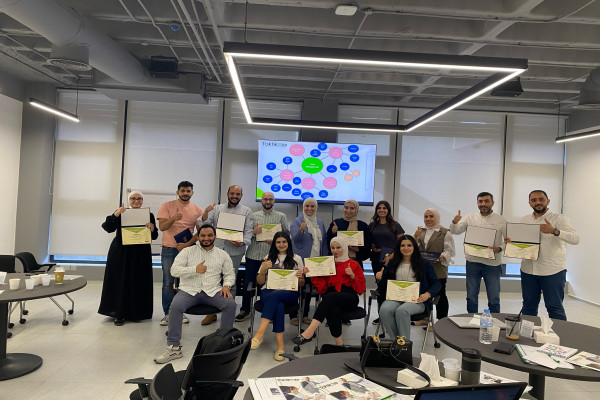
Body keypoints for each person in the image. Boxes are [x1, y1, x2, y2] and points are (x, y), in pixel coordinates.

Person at [154, 224, 236, 364]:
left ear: (215, 237)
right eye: (203, 235)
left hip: (212, 291)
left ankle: (222, 345)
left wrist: (227, 286)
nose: (206, 238)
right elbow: (174, 271)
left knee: (230, 304)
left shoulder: (222, 254)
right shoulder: (187, 252)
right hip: (189, 290)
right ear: (197, 237)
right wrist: (194, 269)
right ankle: (174, 348)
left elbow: (230, 274)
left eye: (210, 235)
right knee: (175, 306)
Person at [505, 190, 579, 320]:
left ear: (548, 201)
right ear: (529, 203)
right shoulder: (525, 219)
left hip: (552, 271)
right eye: (534, 200)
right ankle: (527, 336)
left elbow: (575, 239)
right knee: (528, 306)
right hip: (528, 270)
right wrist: (512, 242)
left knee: (554, 307)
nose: (537, 202)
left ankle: (559, 338)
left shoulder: (559, 219)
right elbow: (523, 241)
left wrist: (555, 231)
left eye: (541, 199)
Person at [292, 237, 366, 346]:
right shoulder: (328, 264)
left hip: (349, 297)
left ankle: (310, 331)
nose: (335, 250)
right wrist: (313, 275)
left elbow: (361, 289)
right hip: (330, 297)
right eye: (332, 248)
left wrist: (352, 276)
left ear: (344, 248)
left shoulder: (354, 264)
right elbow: (323, 288)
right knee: (333, 309)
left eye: (338, 247)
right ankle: (339, 344)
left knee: (329, 297)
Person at [98, 191, 158, 326]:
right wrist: (117, 213)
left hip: (141, 253)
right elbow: (107, 228)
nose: (136, 201)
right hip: (121, 252)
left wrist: (152, 228)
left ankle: (137, 313)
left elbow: (154, 236)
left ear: (142, 200)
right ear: (128, 200)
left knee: (138, 282)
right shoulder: (121, 212)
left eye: (139, 199)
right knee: (120, 282)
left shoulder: (149, 215)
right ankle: (119, 314)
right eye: (133, 198)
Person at [201, 185, 254, 325]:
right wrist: (206, 213)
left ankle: (228, 311)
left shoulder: (247, 211)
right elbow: (205, 224)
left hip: (235, 252)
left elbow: (249, 232)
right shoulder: (217, 209)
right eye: (232, 193)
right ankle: (211, 312)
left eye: (237, 194)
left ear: (241, 195)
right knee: (213, 280)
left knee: (231, 281)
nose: (234, 196)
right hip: (216, 250)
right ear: (227, 193)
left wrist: (242, 242)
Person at [250, 232, 304, 361]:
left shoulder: (297, 258)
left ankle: (259, 334)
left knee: (276, 296)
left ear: (288, 243)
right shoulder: (268, 258)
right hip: (268, 291)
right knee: (278, 305)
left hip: (289, 293)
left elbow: (302, 284)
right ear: (274, 244)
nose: (281, 244)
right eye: (278, 242)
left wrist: (300, 277)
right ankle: (280, 346)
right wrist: (263, 269)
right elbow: (260, 282)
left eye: (284, 242)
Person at [235, 192, 289, 322]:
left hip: (272, 257)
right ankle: (245, 310)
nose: (268, 201)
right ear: (261, 201)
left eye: (270, 199)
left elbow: (286, 234)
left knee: (271, 284)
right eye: (265, 199)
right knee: (249, 283)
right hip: (253, 255)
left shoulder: (281, 216)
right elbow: (244, 234)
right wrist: (253, 232)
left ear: (274, 200)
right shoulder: (253, 216)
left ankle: (270, 310)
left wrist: (277, 238)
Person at [449, 192, 507, 313]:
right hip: (473, 262)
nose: (483, 204)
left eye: (486, 201)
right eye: (480, 201)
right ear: (477, 203)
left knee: (494, 299)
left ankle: (494, 324)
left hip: (492, 264)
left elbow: (508, 241)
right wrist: (454, 223)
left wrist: (499, 248)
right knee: (471, 297)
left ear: (492, 203)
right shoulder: (470, 217)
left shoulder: (502, 220)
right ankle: (471, 323)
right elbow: (456, 231)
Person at [157, 181, 204, 326]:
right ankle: (168, 314)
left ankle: (181, 312)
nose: (185, 193)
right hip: (169, 249)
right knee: (169, 283)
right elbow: (162, 227)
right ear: (177, 192)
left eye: (188, 191)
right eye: (183, 190)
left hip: (188, 250)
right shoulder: (167, 206)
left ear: (192, 193)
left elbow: (201, 233)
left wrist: (187, 244)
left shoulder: (197, 210)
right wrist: (173, 219)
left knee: (186, 283)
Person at [376, 235, 441, 340]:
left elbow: (437, 283)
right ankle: (397, 342)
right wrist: (380, 278)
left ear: (414, 247)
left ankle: (405, 344)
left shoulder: (425, 263)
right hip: (395, 298)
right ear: (399, 248)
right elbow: (384, 284)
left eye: (409, 245)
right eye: (403, 245)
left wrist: (428, 294)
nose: (406, 248)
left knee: (402, 311)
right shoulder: (393, 263)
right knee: (384, 310)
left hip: (417, 300)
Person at [289, 198, 328, 326]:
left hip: (315, 262)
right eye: (307, 206)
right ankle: (293, 315)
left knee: (308, 289)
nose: (309, 209)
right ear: (303, 207)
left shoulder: (320, 222)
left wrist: (324, 260)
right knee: (296, 289)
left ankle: (305, 314)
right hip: (300, 261)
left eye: (312, 206)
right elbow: (294, 239)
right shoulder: (297, 221)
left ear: (316, 208)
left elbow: (323, 243)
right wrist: (301, 230)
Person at [414, 208, 455, 323]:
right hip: (423, 268)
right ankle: (425, 317)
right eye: (426, 216)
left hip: (438, 268)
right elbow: (412, 247)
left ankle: (442, 321)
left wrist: (443, 255)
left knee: (440, 294)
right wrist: (415, 236)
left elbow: (449, 250)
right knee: (424, 292)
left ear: (436, 217)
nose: (428, 219)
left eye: (431, 216)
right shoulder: (420, 231)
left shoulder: (444, 231)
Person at [368, 200, 404, 324]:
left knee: (392, 287)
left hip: (392, 261)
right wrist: (372, 247)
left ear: (388, 210)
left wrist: (391, 256)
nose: (382, 210)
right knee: (380, 287)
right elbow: (368, 241)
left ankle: (394, 315)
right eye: (379, 208)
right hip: (376, 260)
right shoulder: (372, 225)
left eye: (384, 208)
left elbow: (402, 243)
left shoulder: (395, 225)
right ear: (376, 210)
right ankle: (382, 315)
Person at [326, 199, 372, 269]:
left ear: (356, 209)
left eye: (352, 208)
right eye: (346, 207)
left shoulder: (362, 225)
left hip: (356, 261)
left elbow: (367, 244)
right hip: (338, 262)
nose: (348, 210)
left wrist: (357, 250)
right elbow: (328, 242)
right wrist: (333, 233)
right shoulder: (336, 223)